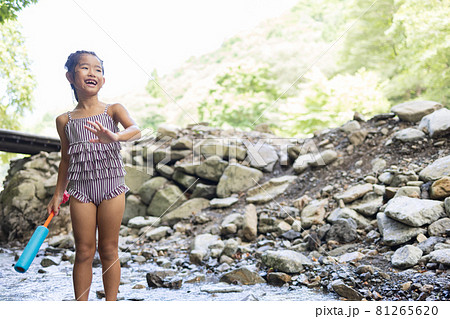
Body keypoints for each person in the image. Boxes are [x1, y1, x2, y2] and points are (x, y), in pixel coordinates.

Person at [47, 50, 141, 301]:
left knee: (108, 249)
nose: (93, 73)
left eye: (98, 69)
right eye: (85, 68)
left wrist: (116, 136)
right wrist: (58, 194)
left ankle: (111, 305)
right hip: (80, 191)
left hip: (111, 187)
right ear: (70, 76)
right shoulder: (64, 120)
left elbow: (136, 129)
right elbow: (65, 159)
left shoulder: (113, 110)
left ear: (103, 79)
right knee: (84, 252)